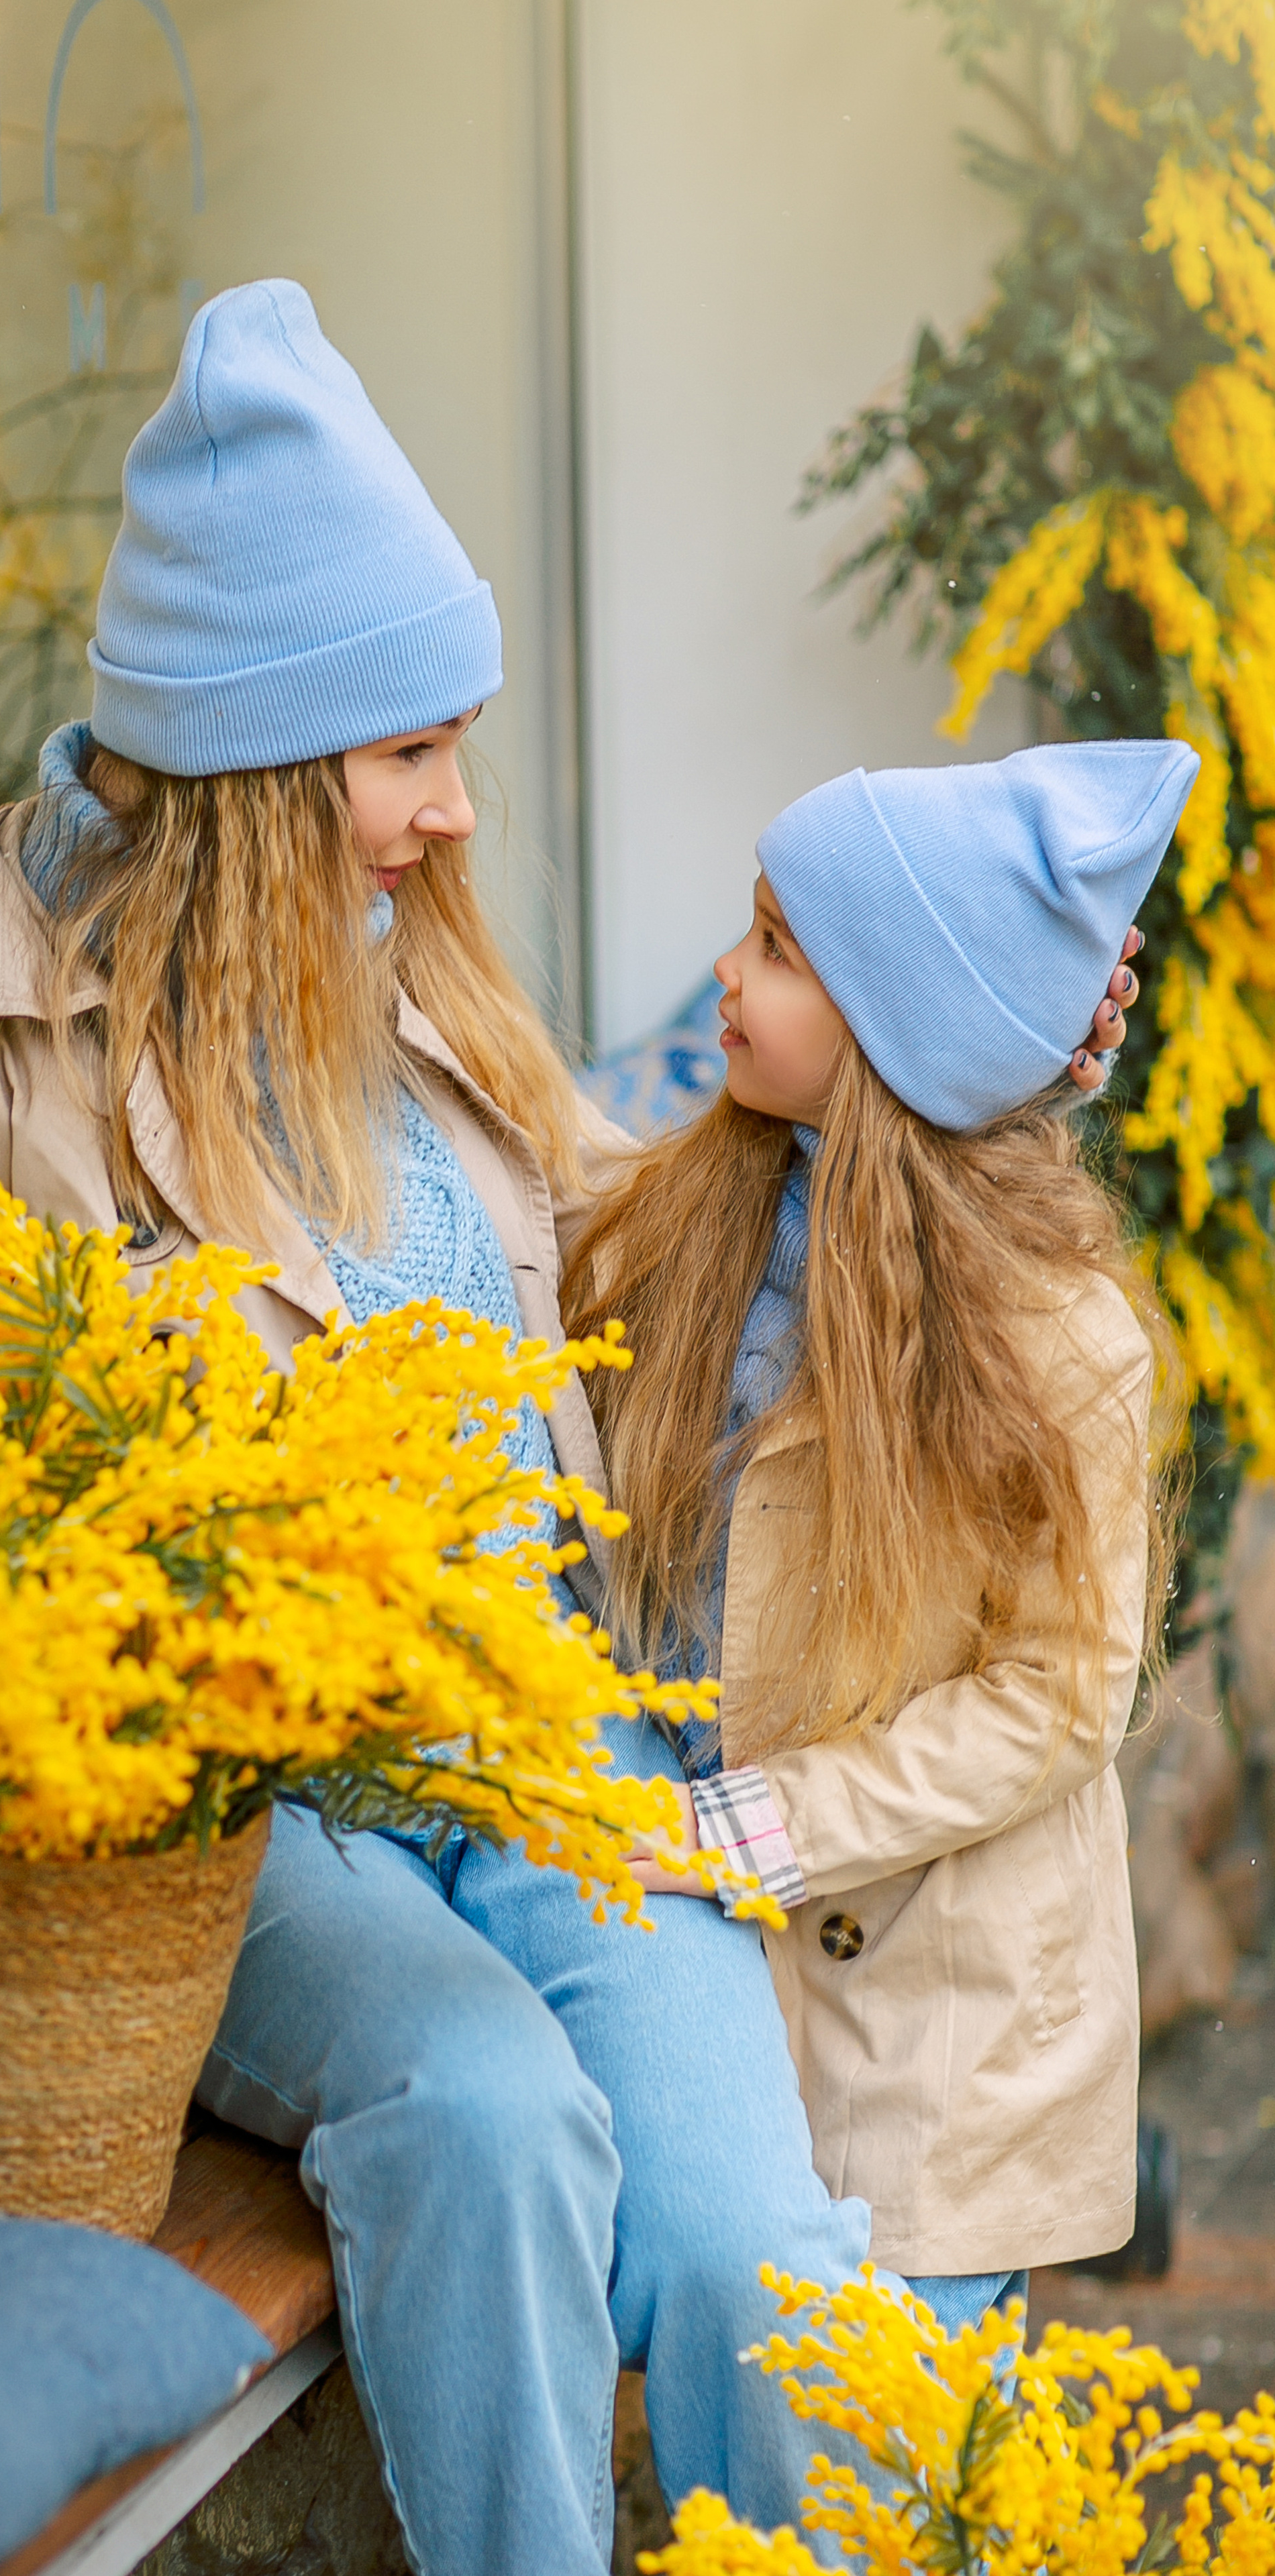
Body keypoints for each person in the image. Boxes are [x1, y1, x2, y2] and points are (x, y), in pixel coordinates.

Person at [0, 282, 1145, 2576]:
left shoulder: (416, 994)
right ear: (265, 759)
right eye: (412, 752)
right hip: (252, 1815)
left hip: (554, 1754)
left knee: (746, 2253)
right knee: (493, 2117)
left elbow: (685, 1228)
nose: (455, 808)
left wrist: (970, 1049)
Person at [568, 739, 1190, 2358]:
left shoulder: (1051, 1340)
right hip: (728, 1964)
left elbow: (1057, 1701)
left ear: (895, 1033)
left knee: (885, 2476)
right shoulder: (687, 1221)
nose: (720, 973)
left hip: (938, 2031)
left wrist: (760, 1821)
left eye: (775, 947)